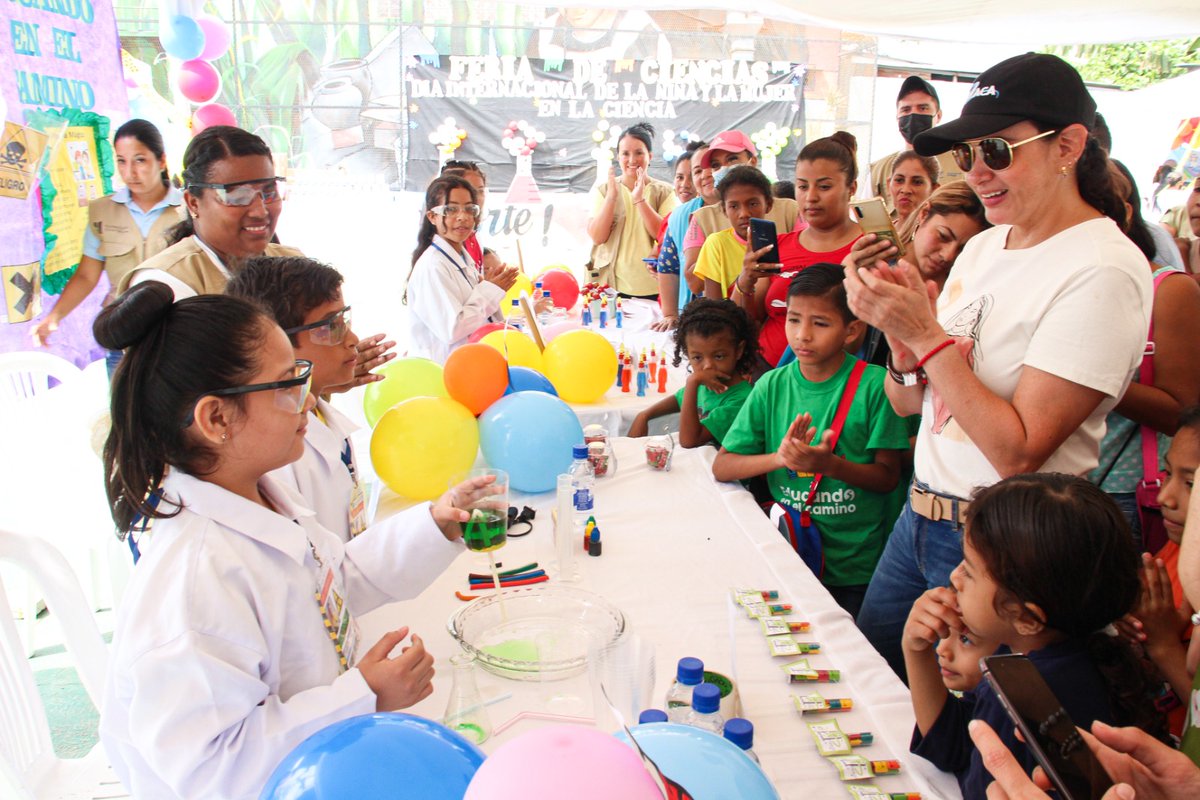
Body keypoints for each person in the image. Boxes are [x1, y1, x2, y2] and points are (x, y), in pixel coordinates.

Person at [95, 281, 495, 798]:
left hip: (320, 765)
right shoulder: (195, 581)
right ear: (217, 418)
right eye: (288, 384)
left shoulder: (260, 494)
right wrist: (363, 696)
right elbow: (212, 769)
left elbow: (334, 579)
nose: (307, 400)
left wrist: (435, 524)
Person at [846, 53, 1153, 680]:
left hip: (1005, 552)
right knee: (871, 683)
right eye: (966, 154)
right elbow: (912, 404)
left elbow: (1018, 452)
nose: (977, 171)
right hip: (921, 514)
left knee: (969, 723)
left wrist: (924, 334)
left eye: (997, 150)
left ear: (1068, 146)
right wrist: (903, 348)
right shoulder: (985, 245)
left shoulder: (1103, 267)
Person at [903, 474, 1167, 799]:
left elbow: (965, 768)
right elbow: (955, 745)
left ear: (1026, 618)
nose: (955, 577)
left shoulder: (1023, 690)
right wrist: (916, 649)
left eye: (969, 571)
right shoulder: (1075, 652)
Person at [714, 265, 910, 616]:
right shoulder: (771, 385)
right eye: (793, 320)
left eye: (820, 323)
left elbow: (887, 477)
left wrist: (830, 465)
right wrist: (781, 458)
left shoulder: (876, 386)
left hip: (856, 565)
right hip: (790, 553)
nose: (802, 335)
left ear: (852, 330)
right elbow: (723, 466)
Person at [1089, 164, 1200, 542]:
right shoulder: (1053, 284)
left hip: (1121, 492)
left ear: (1123, 213)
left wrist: (1088, 375)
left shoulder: (1167, 290)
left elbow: (1181, 413)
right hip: (1053, 482)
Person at [32, 119, 184, 356]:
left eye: (140, 160)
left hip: (176, 334)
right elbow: (86, 275)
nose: (130, 172)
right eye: (121, 161)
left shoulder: (189, 210)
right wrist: (54, 316)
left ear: (161, 160)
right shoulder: (103, 212)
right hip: (122, 337)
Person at [118, 126, 298, 298]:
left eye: (269, 193)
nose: (260, 211)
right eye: (238, 196)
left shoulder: (293, 265)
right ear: (193, 203)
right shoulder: (165, 284)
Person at [735, 132, 863, 369]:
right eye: (802, 186)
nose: (811, 197)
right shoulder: (779, 245)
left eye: (824, 186)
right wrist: (746, 280)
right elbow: (746, 321)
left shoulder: (869, 249)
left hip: (830, 382)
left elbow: (861, 336)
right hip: (764, 373)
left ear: (851, 188)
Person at [1118, 408, 1200, 737]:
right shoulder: (1176, 549)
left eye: (1190, 484)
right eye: (1167, 474)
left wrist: (1164, 645)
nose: (1164, 496)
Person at [405, 175, 518, 362]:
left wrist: (489, 288)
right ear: (432, 217)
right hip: (444, 370)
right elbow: (453, 329)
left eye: (469, 209)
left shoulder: (461, 258)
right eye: (451, 209)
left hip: (472, 364)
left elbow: (479, 316)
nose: (463, 217)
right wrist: (490, 291)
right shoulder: (433, 266)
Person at [681, 130, 800, 297]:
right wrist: (722, 254)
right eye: (716, 165)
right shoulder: (702, 219)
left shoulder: (790, 210)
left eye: (732, 159)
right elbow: (694, 284)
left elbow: (804, 259)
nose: (724, 168)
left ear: (752, 161)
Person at [628, 298, 759, 448]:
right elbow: (678, 399)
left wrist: (692, 382)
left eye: (718, 356)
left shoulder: (741, 399)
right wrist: (645, 415)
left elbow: (689, 441)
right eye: (697, 358)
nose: (707, 366)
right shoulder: (706, 383)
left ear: (739, 350)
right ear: (687, 354)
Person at [586, 122, 677, 305]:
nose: (632, 160)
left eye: (639, 153)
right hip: (611, 287)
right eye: (625, 153)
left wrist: (639, 200)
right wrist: (611, 198)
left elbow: (665, 236)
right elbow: (597, 237)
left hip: (656, 287)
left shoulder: (664, 192)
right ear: (618, 157)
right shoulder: (604, 190)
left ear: (650, 156)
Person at [867, 76, 964, 207]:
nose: (913, 115)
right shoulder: (878, 171)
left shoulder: (962, 164)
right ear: (897, 117)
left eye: (923, 108)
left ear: (938, 115)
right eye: (906, 109)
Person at [693, 165, 775, 299]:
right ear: (724, 210)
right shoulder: (716, 244)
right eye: (734, 206)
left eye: (753, 204)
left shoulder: (780, 244)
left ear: (768, 204)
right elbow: (713, 305)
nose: (744, 214)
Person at [651, 142, 703, 330]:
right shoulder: (678, 217)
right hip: (688, 311)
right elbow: (667, 264)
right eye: (680, 177)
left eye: (695, 174)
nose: (686, 184)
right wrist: (670, 314)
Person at [888, 151, 939, 229]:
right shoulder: (876, 233)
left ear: (934, 190)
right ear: (889, 185)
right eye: (899, 180)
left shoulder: (936, 235)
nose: (905, 190)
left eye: (917, 182)